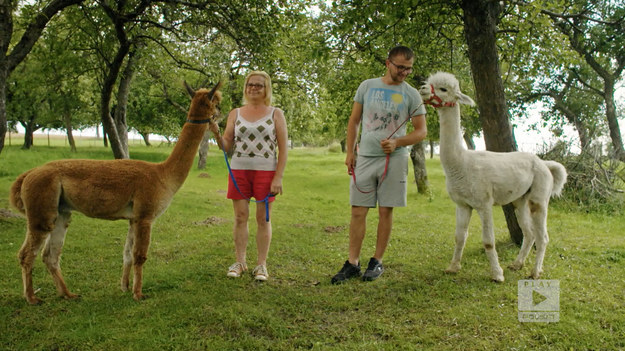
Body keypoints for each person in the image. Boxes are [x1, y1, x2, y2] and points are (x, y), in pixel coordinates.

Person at [331, 46, 427, 284]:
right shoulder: (367, 86)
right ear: (388, 63)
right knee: (357, 210)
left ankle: (377, 261)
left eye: (409, 68)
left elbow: (421, 131)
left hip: (394, 160)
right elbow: (354, 121)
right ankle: (352, 263)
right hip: (365, 158)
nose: (404, 72)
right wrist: (351, 151)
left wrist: (398, 142)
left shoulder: (411, 94)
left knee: (386, 210)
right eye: (400, 67)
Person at [209, 71, 288, 281]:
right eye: (250, 84)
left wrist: (278, 178)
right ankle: (240, 262)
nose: (254, 88)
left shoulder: (275, 113)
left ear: (266, 89)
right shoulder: (235, 113)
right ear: (246, 87)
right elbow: (227, 145)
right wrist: (217, 133)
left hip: (266, 171)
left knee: (263, 218)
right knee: (240, 216)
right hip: (239, 171)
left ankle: (261, 265)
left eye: (259, 85)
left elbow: (283, 149)